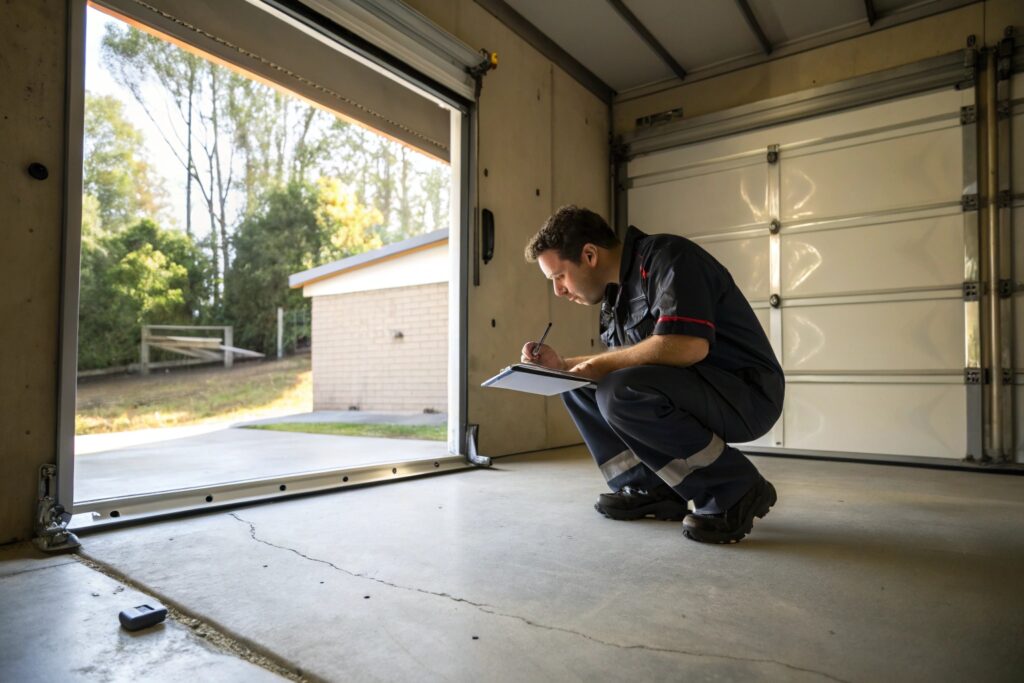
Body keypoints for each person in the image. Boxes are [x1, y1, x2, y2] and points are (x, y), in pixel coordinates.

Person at [521, 205, 785, 544]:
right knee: (576, 383)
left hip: (746, 394)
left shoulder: (668, 258)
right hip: (698, 389)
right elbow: (624, 359)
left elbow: (689, 346)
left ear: (589, 255)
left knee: (619, 390)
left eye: (559, 276)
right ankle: (651, 486)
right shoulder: (615, 296)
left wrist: (599, 367)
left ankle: (733, 487)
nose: (558, 290)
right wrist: (562, 366)